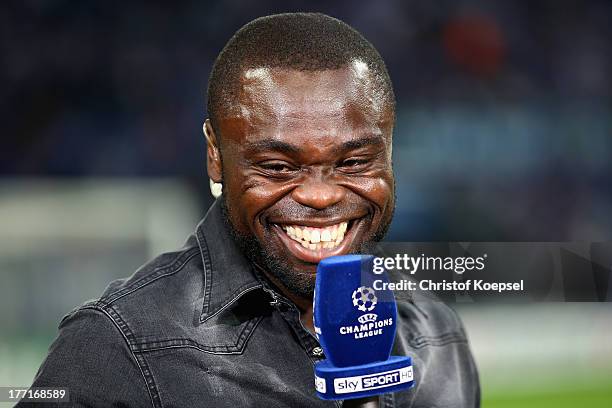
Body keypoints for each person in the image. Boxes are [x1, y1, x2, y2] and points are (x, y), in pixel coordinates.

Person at [20, 13, 479, 407]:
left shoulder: (436, 334)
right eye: (278, 167)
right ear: (215, 156)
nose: (320, 197)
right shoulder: (116, 347)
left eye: (354, 162)